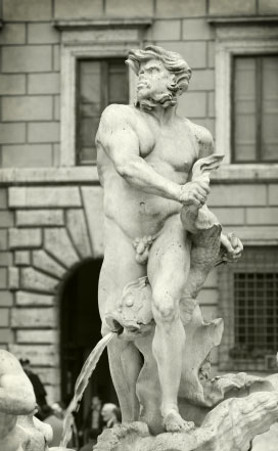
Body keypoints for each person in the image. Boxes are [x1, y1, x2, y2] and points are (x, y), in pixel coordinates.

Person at [96, 45, 243, 432]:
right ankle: (129, 421)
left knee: (166, 307)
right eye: (139, 70)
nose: (142, 76)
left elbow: (194, 194)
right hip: (125, 236)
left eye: (153, 69)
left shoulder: (198, 138)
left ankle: (170, 407)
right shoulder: (118, 117)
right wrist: (180, 193)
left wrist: (216, 230)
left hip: (170, 230)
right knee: (118, 331)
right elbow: (128, 166)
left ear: (176, 80)